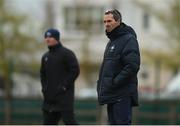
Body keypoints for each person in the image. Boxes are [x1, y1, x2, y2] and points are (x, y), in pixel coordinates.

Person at [97, 9, 140, 125]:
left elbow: (132, 66)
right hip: (112, 95)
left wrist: (114, 82)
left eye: (109, 21)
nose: (106, 24)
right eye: (104, 21)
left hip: (122, 95)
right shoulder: (111, 42)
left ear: (118, 21)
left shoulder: (128, 39)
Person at [40, 28, 80, 125]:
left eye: (50, 37)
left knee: (70, 122)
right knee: (48, 123)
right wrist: (44, 89)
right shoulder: (45, 56)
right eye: (46, 37)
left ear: (57, 38)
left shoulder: (67, 54)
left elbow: (75, 70)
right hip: (49, 100)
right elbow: (42, 74)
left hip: (64, 99)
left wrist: (64, 86)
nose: (47, 39)